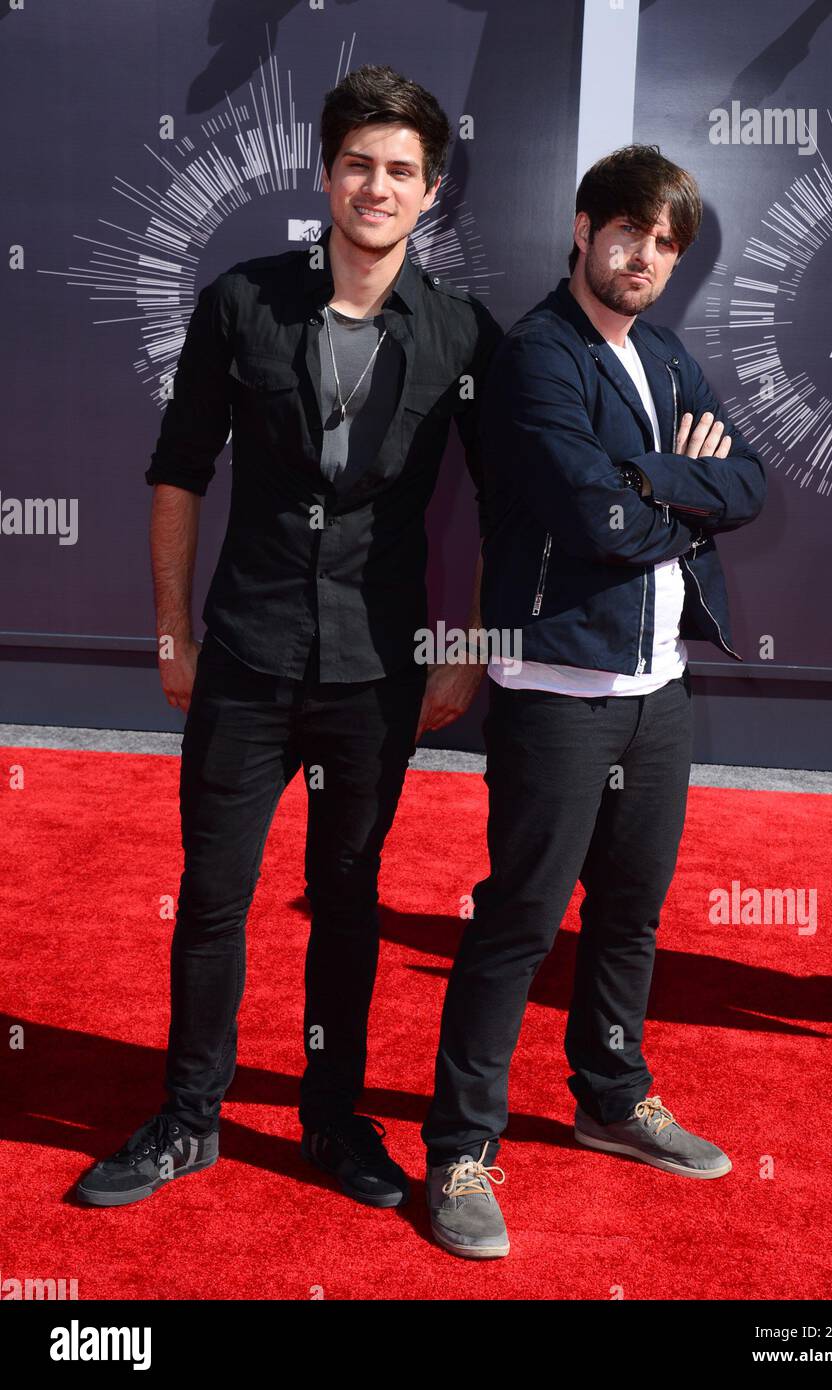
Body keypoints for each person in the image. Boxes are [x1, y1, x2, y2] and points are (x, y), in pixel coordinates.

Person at [77, 64, 501, 1211]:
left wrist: (462, 646)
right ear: (326, 175)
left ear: (431, 191)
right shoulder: (241, 302)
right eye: (358, 162)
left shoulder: (462, 332)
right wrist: (172, 629)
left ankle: (330, 1115)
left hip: (374, 672)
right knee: (212, 895)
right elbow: (178, 474)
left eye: (401, 170)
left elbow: (494, 502)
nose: (377, 184)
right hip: (247, 653)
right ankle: (186, 1117)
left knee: (348, 899)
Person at [421, 145, 767, 1258]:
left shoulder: (663, 355)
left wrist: (652, 476)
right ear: (581, 228)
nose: (645, 256)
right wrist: (678, 484)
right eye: (627, 231)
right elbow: (589, 521)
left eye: (666, 244)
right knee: (518, 921)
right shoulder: (535, 358)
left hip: (657, 690)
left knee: (628, 915)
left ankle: (609, 1095)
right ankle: (460, 1148)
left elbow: (750, 483)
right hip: (554, 691)